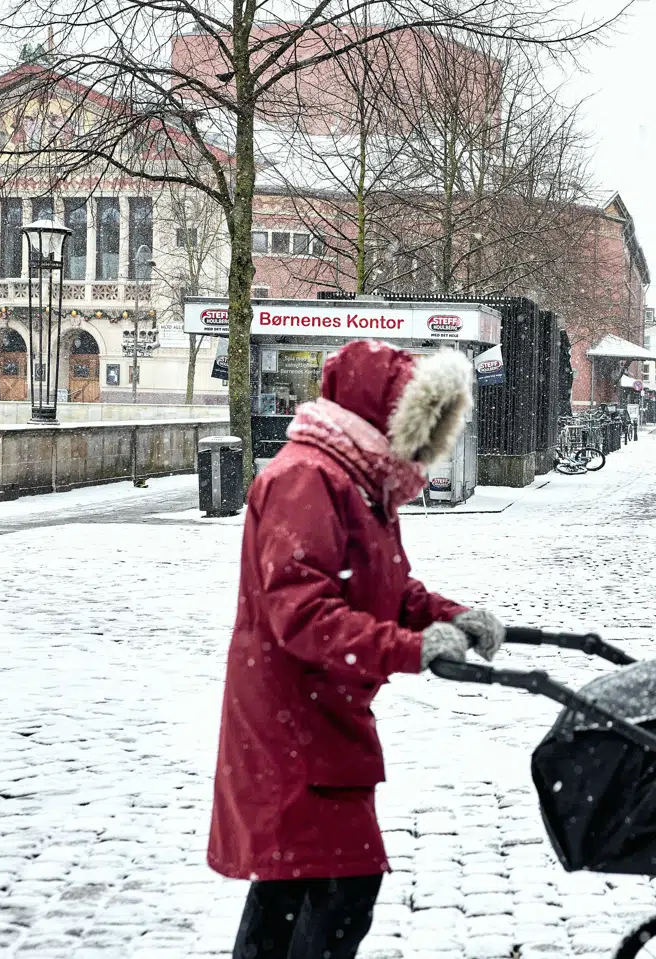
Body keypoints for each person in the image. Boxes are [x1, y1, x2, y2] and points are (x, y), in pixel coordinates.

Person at [207, 340, 506, 958]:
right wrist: (409, 649)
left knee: (292, 887)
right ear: (382, 419)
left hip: (323, 717)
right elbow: (304, 613)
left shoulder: (358, 483)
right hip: (291, 724)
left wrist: (452, 618)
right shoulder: (306, 479)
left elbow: (384, 586)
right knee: (339, 885)